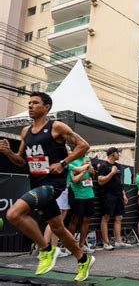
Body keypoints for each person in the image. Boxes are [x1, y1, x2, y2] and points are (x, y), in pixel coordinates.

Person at [0, 92, 94, 281]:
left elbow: (83, 146)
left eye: (35, 103)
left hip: (53, 184)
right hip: (36, 182)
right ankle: (83, 259)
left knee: (13, 214)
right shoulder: (26, 131)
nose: (30, 106)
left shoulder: (56, 126)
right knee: (58, 227)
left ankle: (47, 249)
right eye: (29, 103)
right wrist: (8, 152)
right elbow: (20, 161)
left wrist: (63, 163)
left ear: (46, 107)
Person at [97, 147, 130, 250]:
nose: (119, 155)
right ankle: (106, 243)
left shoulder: (117, 166)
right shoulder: (103, 165)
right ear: (112, 154)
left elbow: (119, 182)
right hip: (108, 194)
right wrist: (111, 173)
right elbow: (100, 181)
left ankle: (118, 241)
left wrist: (123, 194)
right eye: (118, 153)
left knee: (119, 217)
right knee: (106, 217)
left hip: (118, 194)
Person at [67, 155, 96, 254]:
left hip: (89, 193)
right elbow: (73, 177)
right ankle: (71, 245)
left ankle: (82, 244)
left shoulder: (87, 158)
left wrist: (92, 172)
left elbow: (92, 175)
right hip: (77, 193)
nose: (85, 151)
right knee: (74, 219)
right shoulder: (72, 159)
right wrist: (83, 168)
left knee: (87, 219)